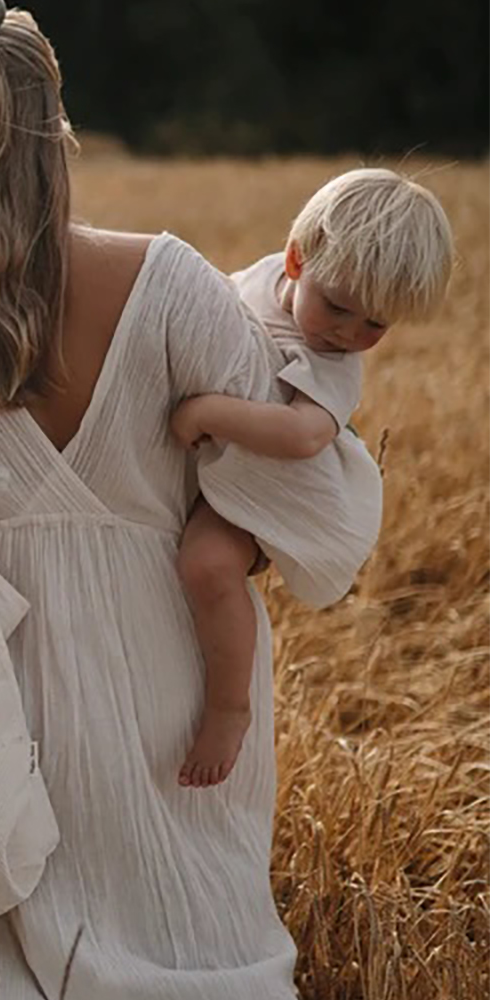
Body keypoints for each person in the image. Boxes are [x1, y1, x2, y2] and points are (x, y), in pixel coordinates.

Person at [0, 1, 375, 995]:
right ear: (54, 132)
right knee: (204, 934)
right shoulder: (171, 283)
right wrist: (233, 546)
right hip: (178, 669)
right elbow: (306, 509)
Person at [171, 168, 454, 790]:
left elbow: (303, 437)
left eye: (375, 326)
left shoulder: (334, 364)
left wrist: (208, 412)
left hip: (274, 486)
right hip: (227, 461)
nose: (348, 334)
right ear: (296, 260)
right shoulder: (260, 279)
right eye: (338, 307)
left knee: (208, 565)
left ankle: (230, 707)